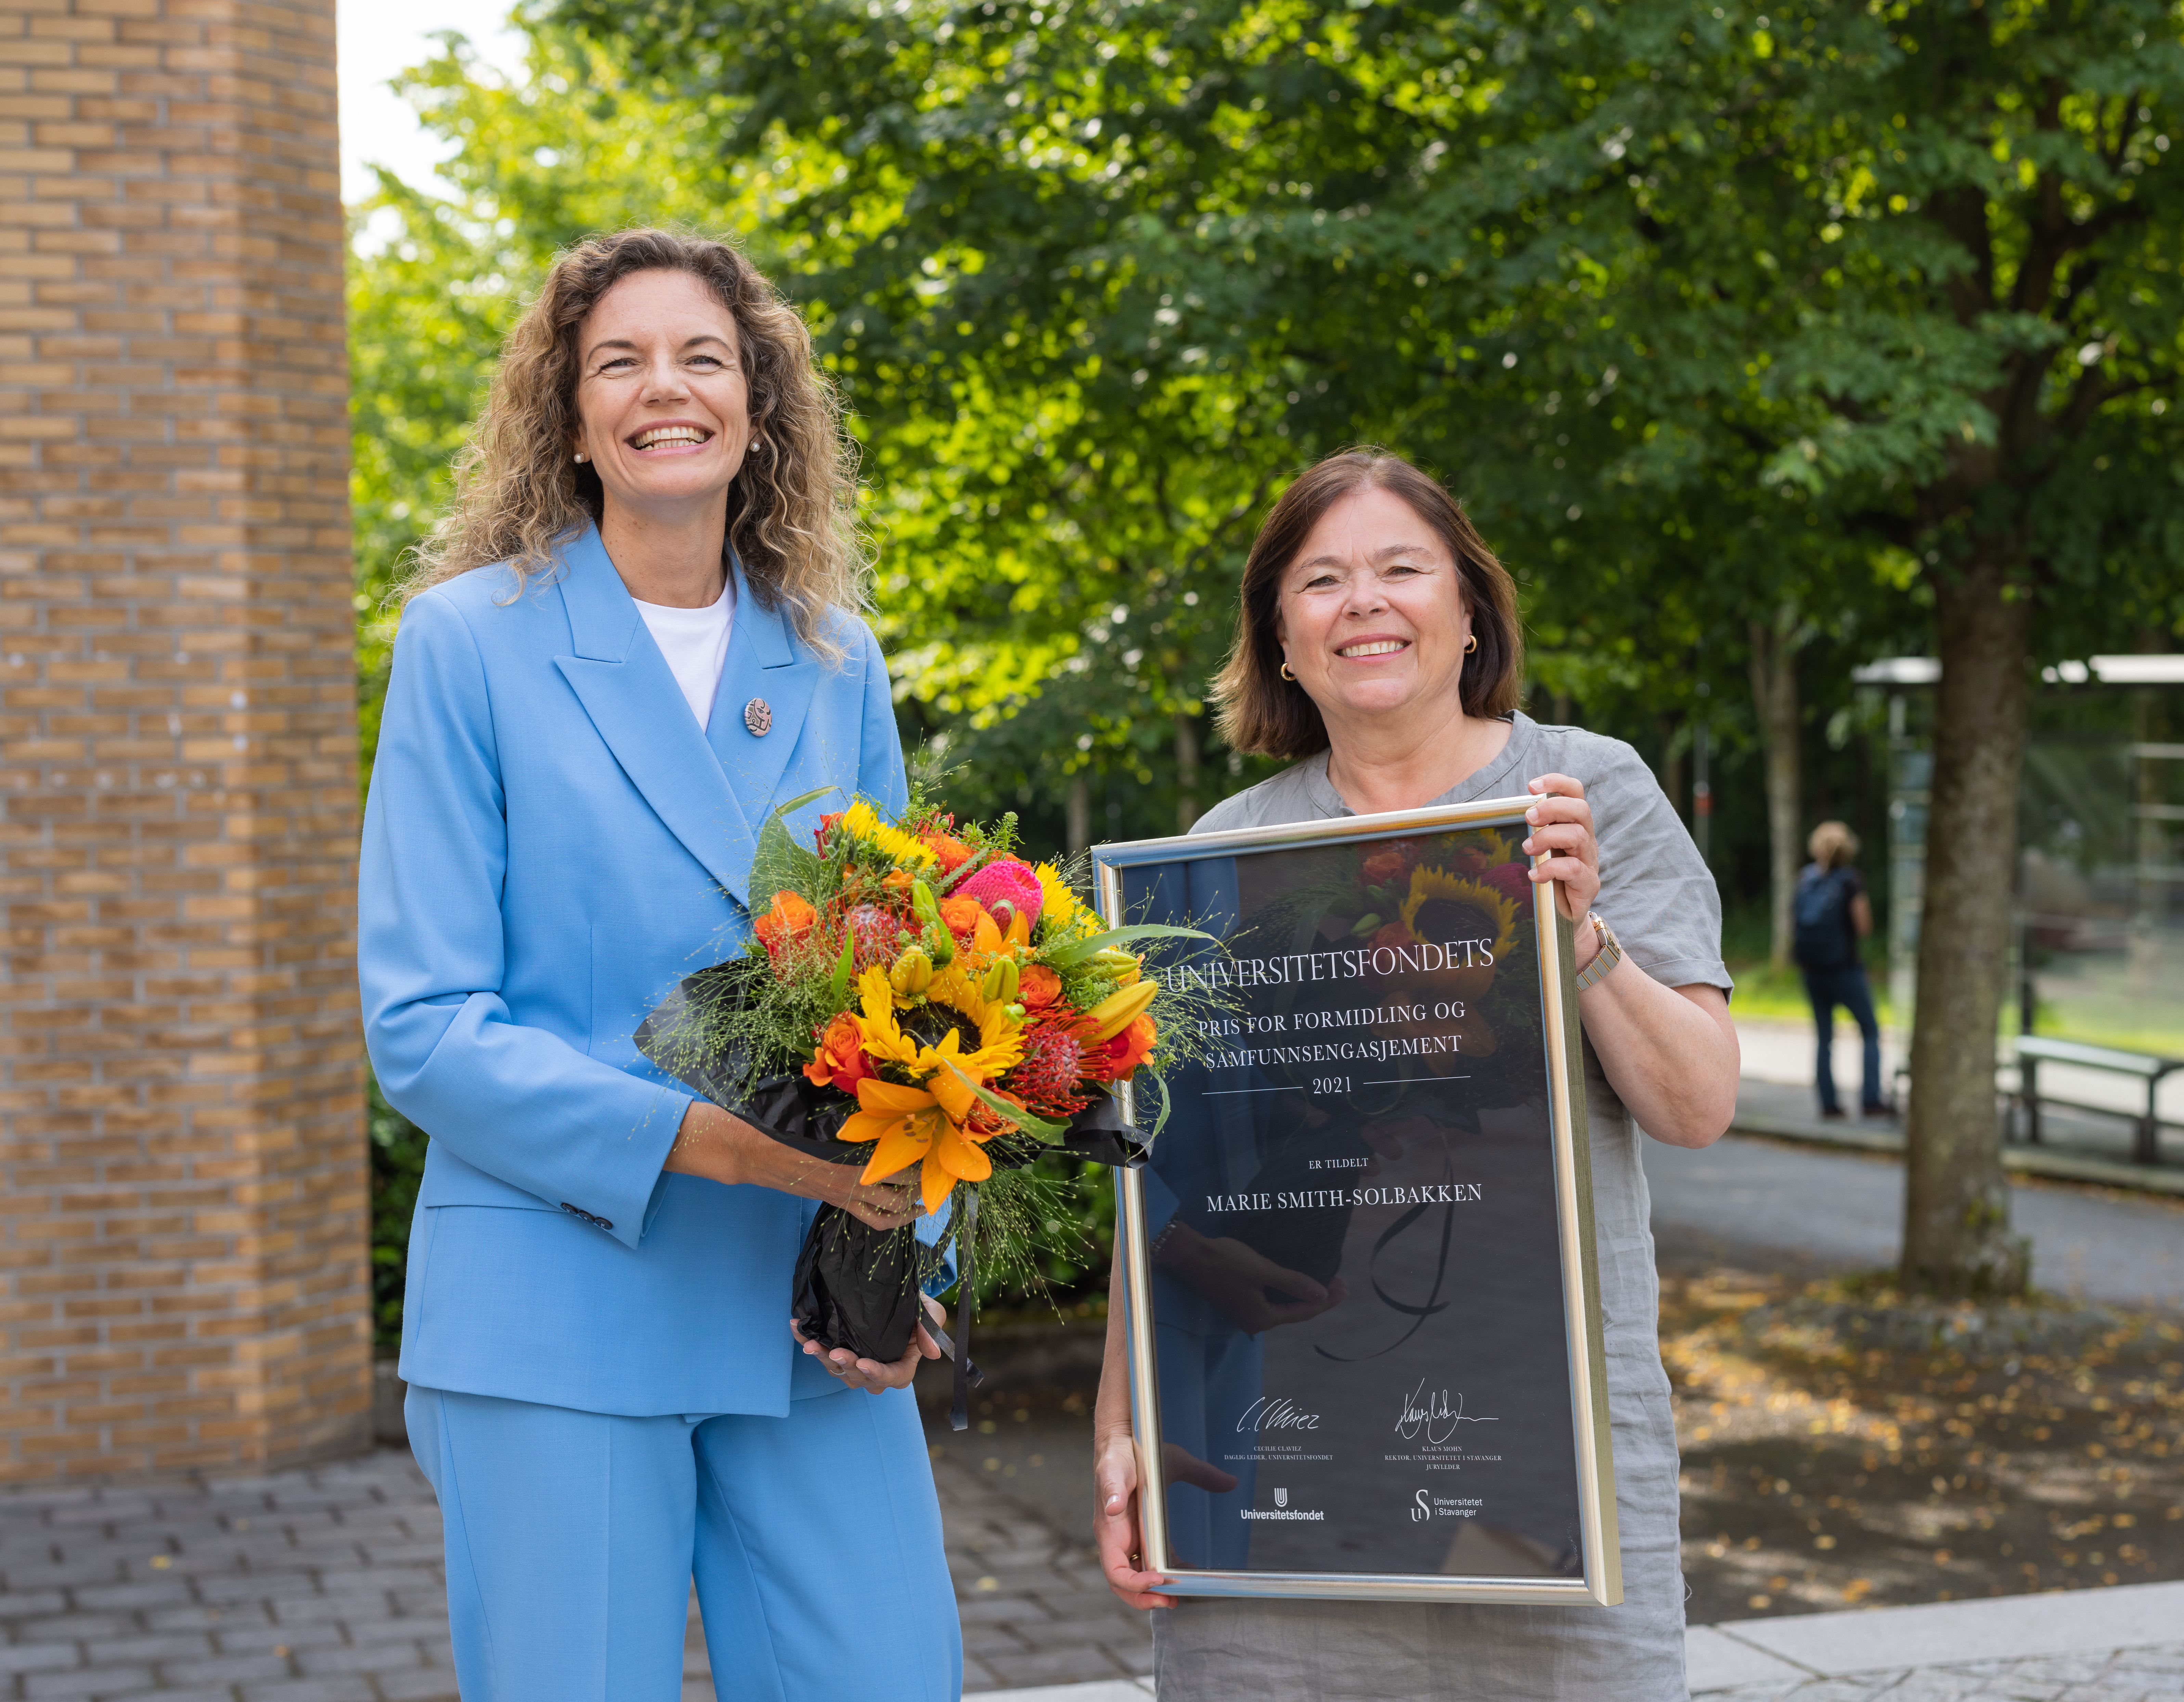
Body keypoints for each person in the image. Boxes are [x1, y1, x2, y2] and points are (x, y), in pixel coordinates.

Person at [358, 230, 960, 1702]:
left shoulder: (835, 658)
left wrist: (906, 1253)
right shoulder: (465, 644)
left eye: (702, 356)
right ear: (569, 417)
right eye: (616, 361)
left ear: (759, 405)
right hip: (559, 1299)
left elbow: (919, 996)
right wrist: (748, 1158)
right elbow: (426, 1024)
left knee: (892, 1672)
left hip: (806, 1313)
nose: (661, 388)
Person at [1090, 449, 1742, 1700]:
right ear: (1280, 638)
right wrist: (1127, 1425)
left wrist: (1581, 939)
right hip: (1278, 1457)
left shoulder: (1585, 791)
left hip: (1543, 1455)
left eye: (1401, 568)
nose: (1364, 602)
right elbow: (1153, 1175)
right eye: (1322, 580)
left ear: (1469, 613)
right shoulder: (1218, 860)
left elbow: (1695, 1105)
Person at [1793, 820, 1888, 1119]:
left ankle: (1828, 1105)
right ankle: (1871, 1100)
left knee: (1825, 1037)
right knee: (1870, 1029)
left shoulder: (1806, 878)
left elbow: (1793, 921)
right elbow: (1863, 925)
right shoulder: (1851, 881)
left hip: (1812, 971)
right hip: (1844, 969)